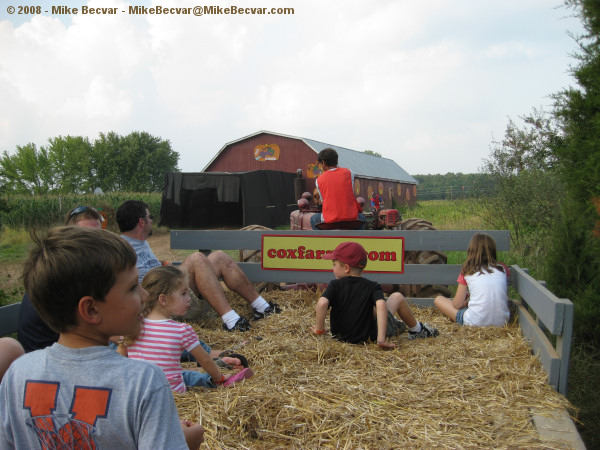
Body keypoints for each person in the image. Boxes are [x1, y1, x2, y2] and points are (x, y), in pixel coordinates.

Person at [0, 226, 203, 449]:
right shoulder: (143, 382)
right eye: (133, 287)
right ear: (91, 310)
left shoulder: (17, 375)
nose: (145, 296)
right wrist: (183, 442)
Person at [116, 200, 280, 331]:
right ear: (142, 222)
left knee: (219, 256)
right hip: (159, 302)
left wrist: (165, 264)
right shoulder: (121, 249)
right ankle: (231, 320)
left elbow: (147, 265)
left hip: (167, 286)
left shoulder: (140, 242)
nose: (151, 220)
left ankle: (262, 307)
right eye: (149, 217)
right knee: (197, 258)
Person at [123, 266, 254, 392]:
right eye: (183, 293)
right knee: (185, 376)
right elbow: (205, 360)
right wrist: (219, 379)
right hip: (171, 392)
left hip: (139, 391)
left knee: (178, 373)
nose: (189, 298)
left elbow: (122, 358)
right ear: (163, 299)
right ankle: (218, 380)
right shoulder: (182, 330)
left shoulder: (134, 325)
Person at [310, 241, 439, 346]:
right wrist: (381, 340)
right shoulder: (372, 286)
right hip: (369, 337)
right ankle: (416, 330)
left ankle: (407, 327)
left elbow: (322, 303)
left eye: (334, 264)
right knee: (397, 297)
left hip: (340, 337)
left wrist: (319, 329)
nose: (332, 268)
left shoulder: (334, 285)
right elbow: (381, 306)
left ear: (346, 268)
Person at [17, 205, 104, 352]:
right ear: (68, 237)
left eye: (99, 235)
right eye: (87, 236)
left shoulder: (75, 266)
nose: (97, 243)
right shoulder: (65, 272)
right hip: (48, 359)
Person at [434, 233, 510, 327]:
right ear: (493, 250)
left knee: (438, 299)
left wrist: (464, 301)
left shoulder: (467, 270)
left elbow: (457, 305)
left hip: (474, 322)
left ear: (471, 251)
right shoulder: (502, 268)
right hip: (503, 322)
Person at [310, 148, 364, 229]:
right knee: (362, 218)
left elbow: (324, 201)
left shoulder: (319, 180)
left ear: (323, 162)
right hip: (350, 218)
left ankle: (323, 240)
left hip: (331, 220)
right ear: (337, 159)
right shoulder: (349, 173)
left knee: (313, 219)